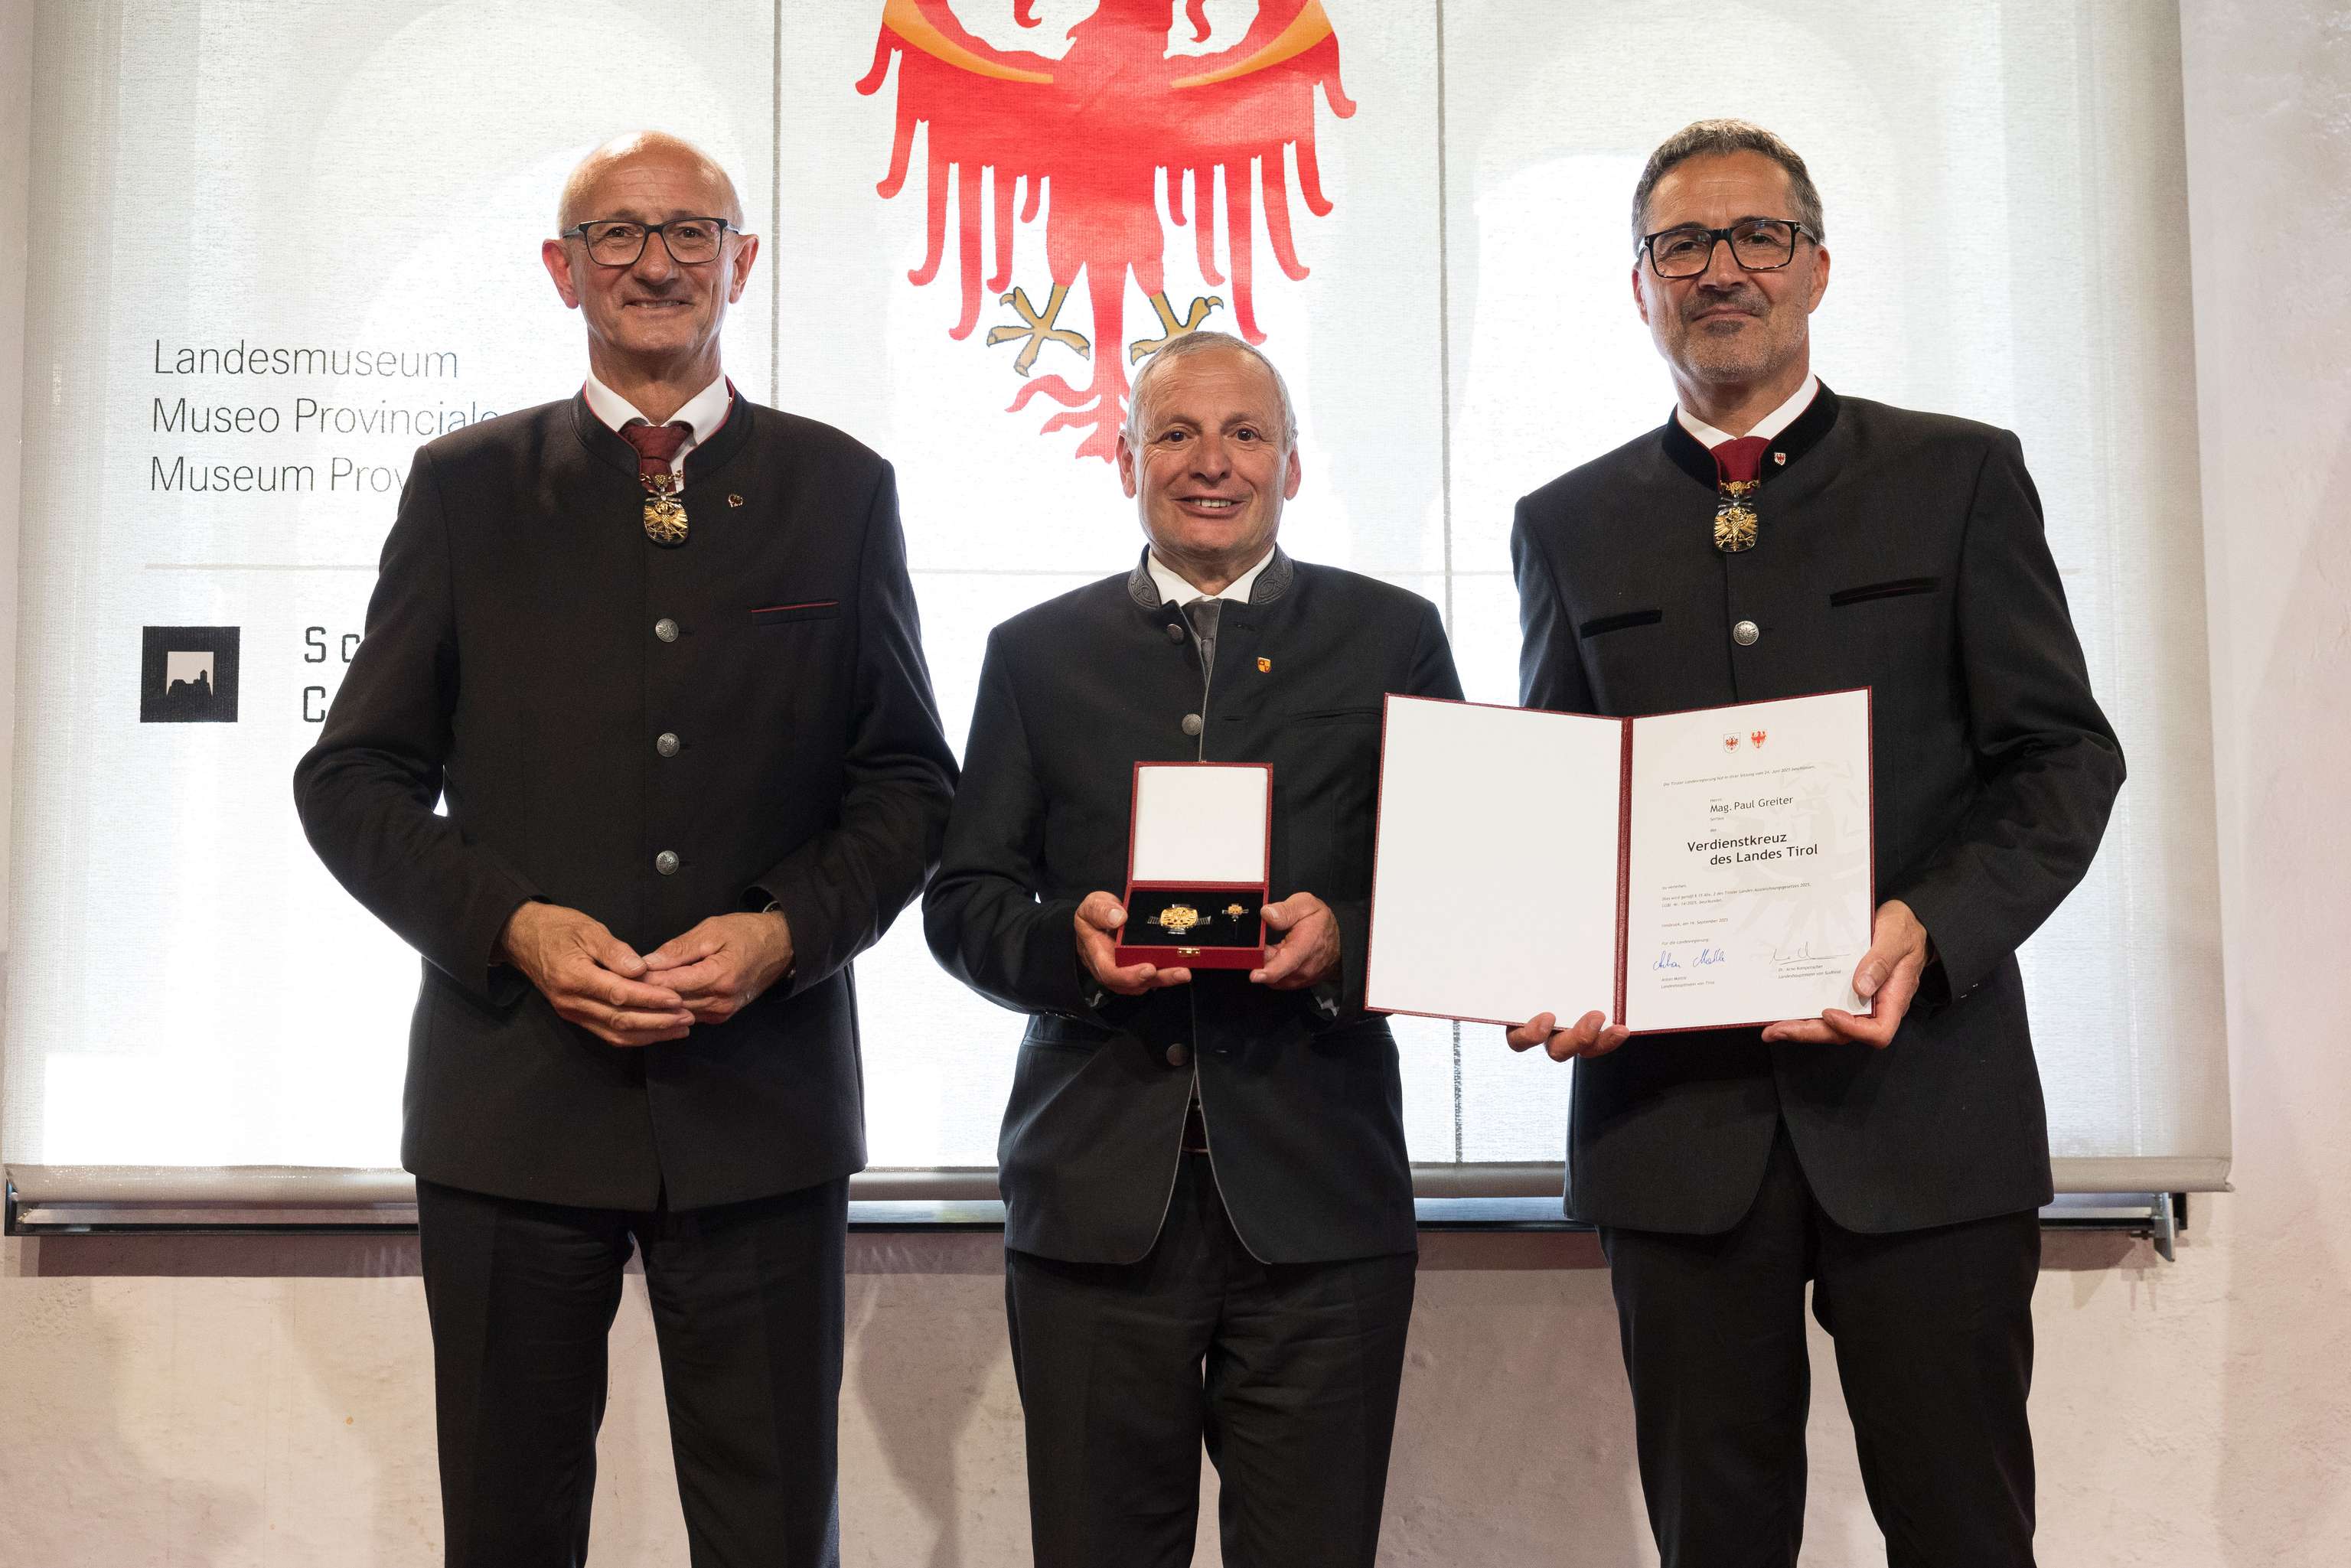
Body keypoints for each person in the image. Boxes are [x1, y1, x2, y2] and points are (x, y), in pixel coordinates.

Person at [292, 131, 955, 1567]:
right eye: (619, 234)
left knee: (777, 1534)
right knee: (509, 1529)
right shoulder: (465, 490)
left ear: (743, 262)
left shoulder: (842, 491)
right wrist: (513, 924)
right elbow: (351, 778)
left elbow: (908, 784)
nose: (657, 260)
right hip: (511, 1105)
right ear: (562, 270)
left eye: (691, 231)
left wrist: (787, 929)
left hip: (762, 1104)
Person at [1508, 119, 2124, 1566]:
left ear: (1819, 267)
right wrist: (1546, 948)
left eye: (1758, 238)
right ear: (1640, 286)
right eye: (1683, 245)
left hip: (1927, 1113)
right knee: (1716, 1541)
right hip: (1673, 1128)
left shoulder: (1959, 476)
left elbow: (2062, 760)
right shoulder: (1568, 522)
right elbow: (1557, 794)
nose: (1723, 270)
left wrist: (1931, 923)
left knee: (1965, 1528)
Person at [923, 331, 1459, 1568]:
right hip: (1097, 1205)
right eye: (1174, 432)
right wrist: (1071, 946)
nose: (1210, 462)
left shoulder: (1394, 637)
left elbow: (1452, 896)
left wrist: (1345, 940)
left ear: (1292, 466)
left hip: (1321, 1201)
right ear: (1123, 462)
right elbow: (965, 899)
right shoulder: (1034, 652)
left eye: (1244, 433)